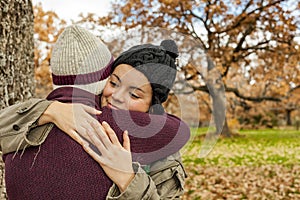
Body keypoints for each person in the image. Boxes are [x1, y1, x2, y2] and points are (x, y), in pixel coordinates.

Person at [1, 25, 190, 199]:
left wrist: (128, 179)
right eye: (114, 83)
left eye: (134, 94)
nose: (116, 96)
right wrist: (51, 110)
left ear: (152, 103)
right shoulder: (79, 115)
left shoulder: (165, 153)